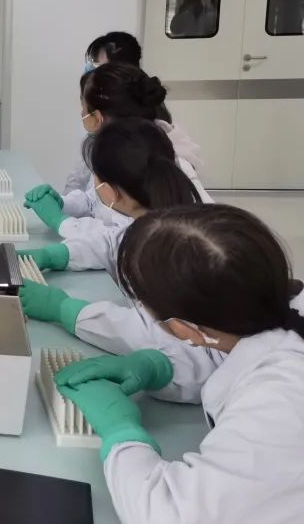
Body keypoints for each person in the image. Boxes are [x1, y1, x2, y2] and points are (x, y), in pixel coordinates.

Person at [53, 205, 304, 522]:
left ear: (182, 328)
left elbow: (170, 514)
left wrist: (122, 435)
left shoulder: (279, 404)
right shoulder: (276, 305)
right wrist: (160, 367)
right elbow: (232, 349)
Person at [20, 118, 202, 279]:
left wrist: (71, 307)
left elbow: (143, 310)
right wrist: (56, 255)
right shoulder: (157, 217)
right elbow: (111, 244)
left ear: (109, 191)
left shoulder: (168, 251)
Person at [42, 63, 207, 215]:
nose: (81, 113)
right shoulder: (114, 153)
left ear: (98, 118)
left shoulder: (156, 163)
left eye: (83, 107)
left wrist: (67, 225)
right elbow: (94, 199)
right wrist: (63, 203)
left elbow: (117, 229)